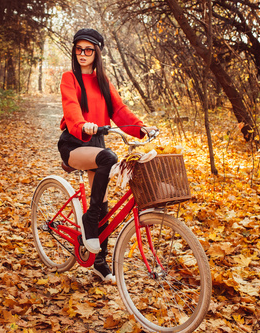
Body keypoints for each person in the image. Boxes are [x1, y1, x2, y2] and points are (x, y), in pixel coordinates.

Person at [58, 28, 157, 283]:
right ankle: (89, 221)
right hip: (75, 141)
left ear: (96, 53)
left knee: (101, 203)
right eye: (78, 49)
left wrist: (142, 128)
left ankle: (99, 261)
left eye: (88, 50)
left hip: (97, 143)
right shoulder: (70, 78)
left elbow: (120, 111)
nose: (82, 54)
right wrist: (83, 125)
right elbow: (70, 108)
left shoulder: (103, 81)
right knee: (108, 158)